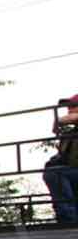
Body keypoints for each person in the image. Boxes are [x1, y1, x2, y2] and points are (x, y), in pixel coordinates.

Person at [43, 94, 78, 224]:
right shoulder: (70, 134)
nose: (69, 109)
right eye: (68, 107)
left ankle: (69, 220)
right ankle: (68, 215)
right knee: (54, 170)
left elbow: (63, 121)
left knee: (55, 173)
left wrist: (58, 122)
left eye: (73, 106)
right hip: (72, 171)